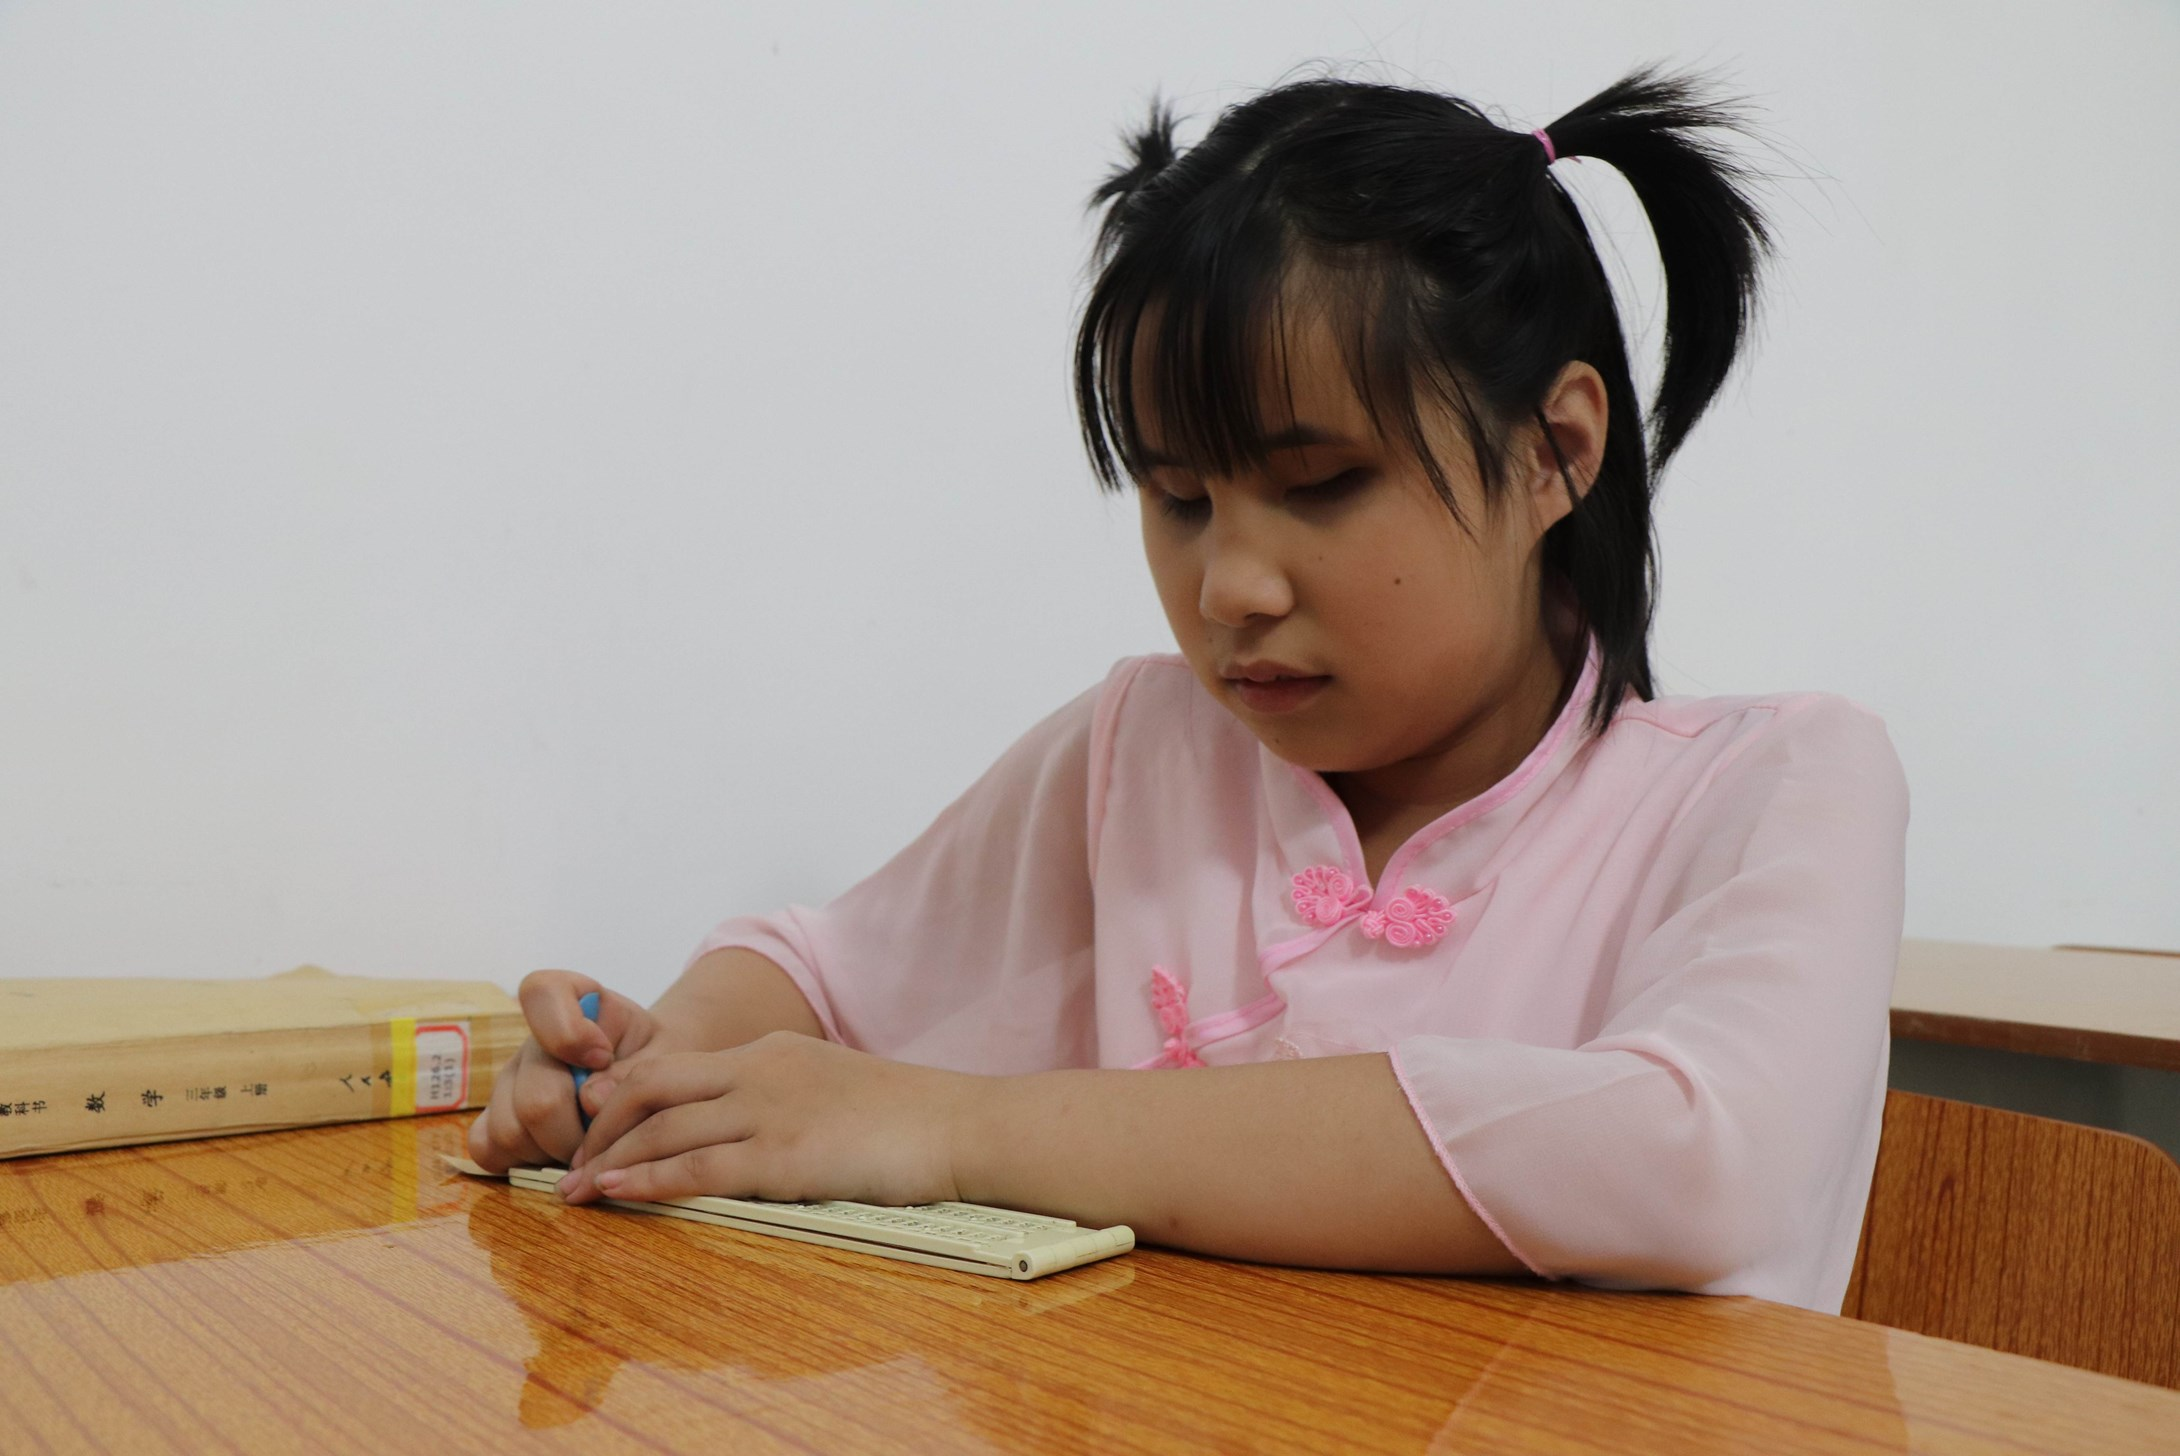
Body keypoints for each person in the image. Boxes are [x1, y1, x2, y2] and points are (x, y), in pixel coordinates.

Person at [467, 63, 1908, 1315]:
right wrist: (651, 1078)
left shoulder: (1779, 783)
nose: (1230, 587)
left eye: (1319, 485)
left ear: (1557, 451)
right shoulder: (1139, 752)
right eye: (1177, 499)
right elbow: (827, 972)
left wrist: (958, 1133)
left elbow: (1696, 1154)